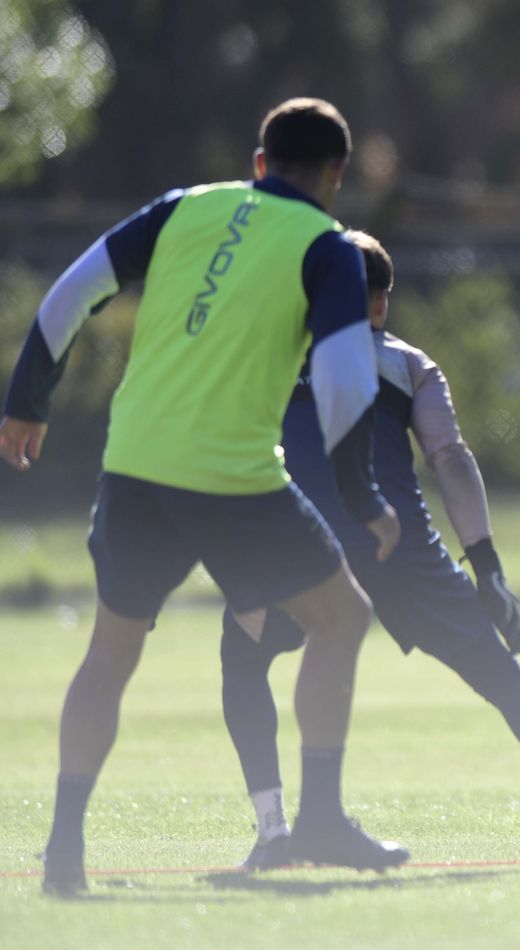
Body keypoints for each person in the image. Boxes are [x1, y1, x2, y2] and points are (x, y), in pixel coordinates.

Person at [0, 98, 412, 896]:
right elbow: (343, 378)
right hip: (234, 481)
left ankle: (62, 851)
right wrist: (363, 494)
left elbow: (70, 294)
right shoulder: (326, 248)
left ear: (259, 163)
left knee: (110, 652)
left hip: (134, 466)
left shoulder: (185, 206)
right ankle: (320, 815)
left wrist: (26, 400)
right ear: (335, 177)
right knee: (343, 616)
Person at [221, 230, 520, 868]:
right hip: (403, 553)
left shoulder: (269, 359)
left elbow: (238, 456)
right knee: (503, 680)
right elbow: (450, 458)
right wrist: (486, 567)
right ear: (379, 302)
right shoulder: (408, 363)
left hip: (303, 549)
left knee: (241, 661)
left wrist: (239, 564)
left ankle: (273, 832)